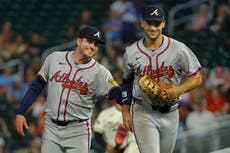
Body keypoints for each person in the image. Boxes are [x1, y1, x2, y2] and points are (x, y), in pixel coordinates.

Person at [14, 26, 122, 153]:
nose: (92, 46)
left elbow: (117, 92)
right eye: (89, 41)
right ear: (78, 41)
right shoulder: (54, 58)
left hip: (78, 131)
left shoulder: (100, 72)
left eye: (96, 44)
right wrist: (21, 112)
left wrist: (129, 101)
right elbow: (36, 86)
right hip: (51, 128)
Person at [121, 5, 203, 153]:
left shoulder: (178, 49)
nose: (153, 28)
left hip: (170, 112)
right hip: (143, 110)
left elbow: (197, 78)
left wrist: (177, 90)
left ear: (163, 24)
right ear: (142, 23)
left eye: (157, 24)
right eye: (149, 23)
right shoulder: (131, 52)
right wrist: (125, 110)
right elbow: (126, 81)